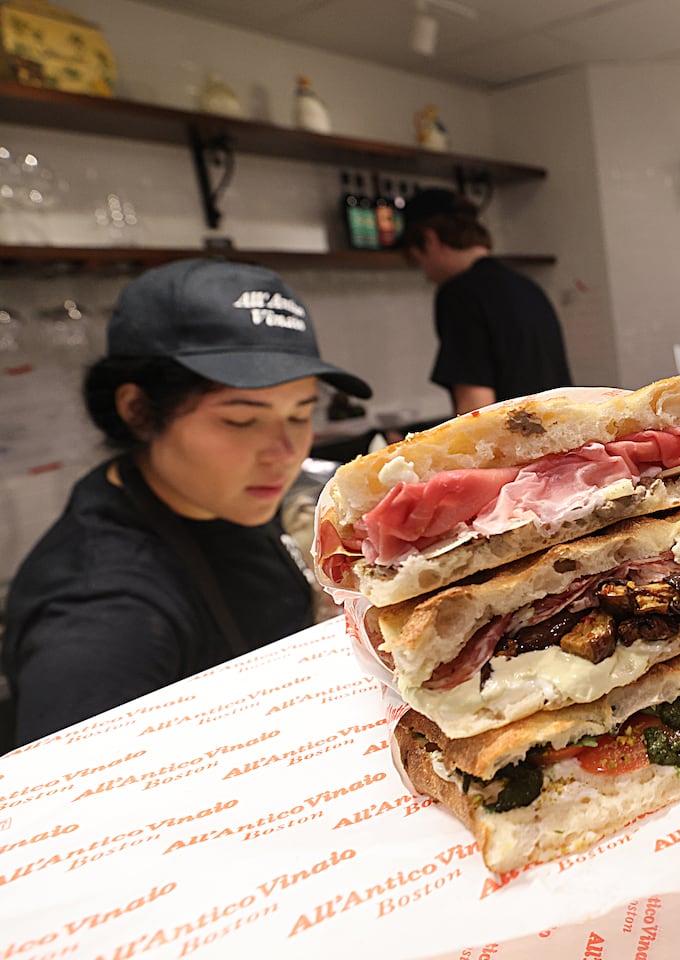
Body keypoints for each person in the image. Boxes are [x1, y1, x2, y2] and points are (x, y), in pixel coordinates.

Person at [1, 259, 372, 746]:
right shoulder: (102, 620)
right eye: (241, 420)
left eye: (301, 415)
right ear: (137, 410)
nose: (286, 453)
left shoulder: (214, 495)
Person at [399, 188, 572, 414]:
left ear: (429, 239)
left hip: (513, 444)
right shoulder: (527, 286)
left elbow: (477, 406)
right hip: (560, 433)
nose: (424, 273)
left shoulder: (459, 294)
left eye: (416, 258)